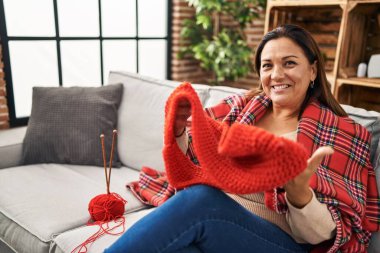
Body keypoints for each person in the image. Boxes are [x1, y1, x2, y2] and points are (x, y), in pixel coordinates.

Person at [105, 25, 379, 253]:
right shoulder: (239, 108)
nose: (276, 75)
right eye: (267, 65)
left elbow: (328, 235)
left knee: (201, 200)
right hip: (219, 231)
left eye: (290, 63)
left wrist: (300, 197)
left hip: (282, 243)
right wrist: (178, 132)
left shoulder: (343, 132)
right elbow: (193, 168)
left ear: (313, 71)